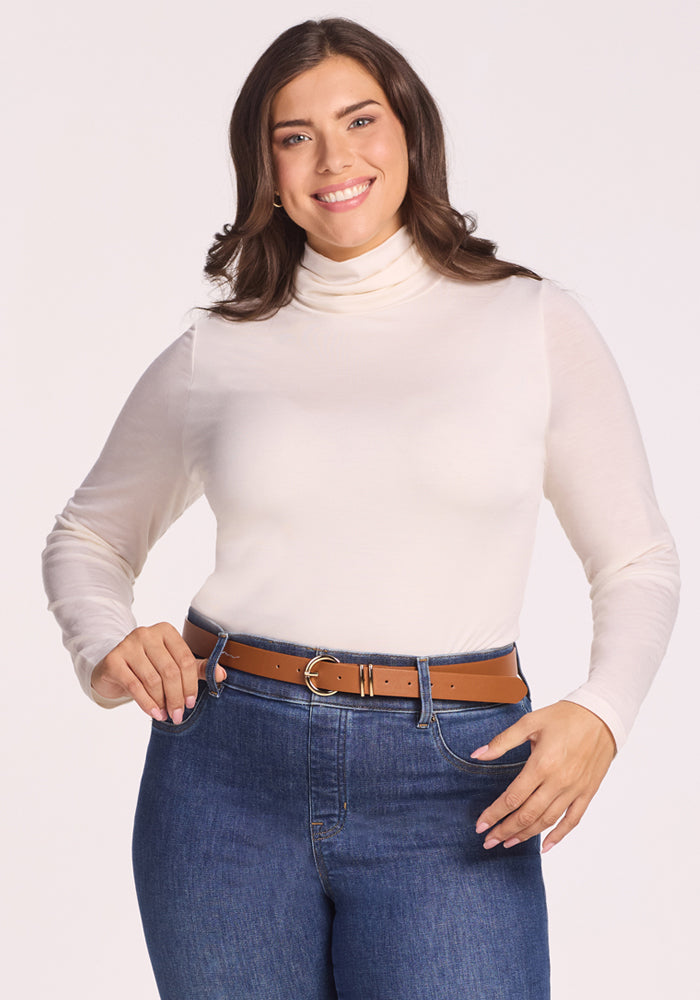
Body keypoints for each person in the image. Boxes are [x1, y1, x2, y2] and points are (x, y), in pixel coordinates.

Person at [41, 16, 680, 1000]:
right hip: (222, 770)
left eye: (359, 120)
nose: (333, 159)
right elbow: (87, 537)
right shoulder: (218, 352)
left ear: (410, 133)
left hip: (456, 780)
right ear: (264, 168)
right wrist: (104, 641)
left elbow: (636, 560)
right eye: (293, 136)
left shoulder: (532, 322)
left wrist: (603, 711)